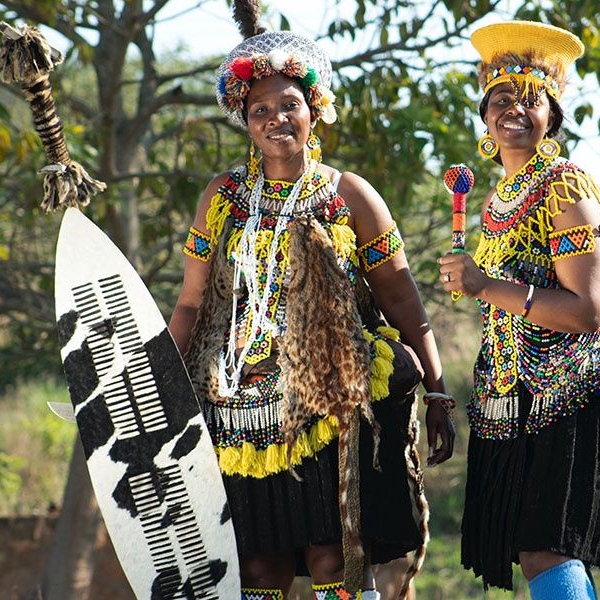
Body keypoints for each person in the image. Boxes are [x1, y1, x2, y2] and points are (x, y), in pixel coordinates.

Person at [169, 2, 455, 599]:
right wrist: (159, 389)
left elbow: (404, 301)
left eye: (289, 105)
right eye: (260, 110)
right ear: (245, 122)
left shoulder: (351, 196)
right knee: (259, 569)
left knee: (335, 558)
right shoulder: (222, 198)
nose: (276, 119)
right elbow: (193, 304)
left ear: (314, 112)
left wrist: (436, 389)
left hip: (331, 401)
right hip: (238, 409)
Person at [438, 20, 600, 599]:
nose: (514, 109)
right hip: (514, 396)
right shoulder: (493, 204)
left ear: (553, 117)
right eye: (501, 99)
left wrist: (485, 285)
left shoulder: (568, 188)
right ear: (485, 117)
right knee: (536, 551)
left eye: (532, 99)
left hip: (573, 394)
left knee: (547, 548)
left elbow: (588, 311)